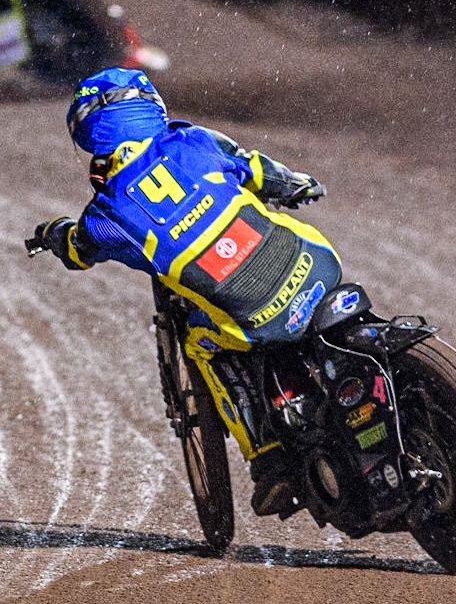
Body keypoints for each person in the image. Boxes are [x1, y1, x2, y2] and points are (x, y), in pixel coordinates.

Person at [32, 67, 340, 516]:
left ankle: (268, 456)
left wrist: (52, 232)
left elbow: (77, 250)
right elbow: (259, 170)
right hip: (318, 262)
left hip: (253, 315)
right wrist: (299, 184)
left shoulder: (107, 213)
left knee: (199, 341)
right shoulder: (190, 139)